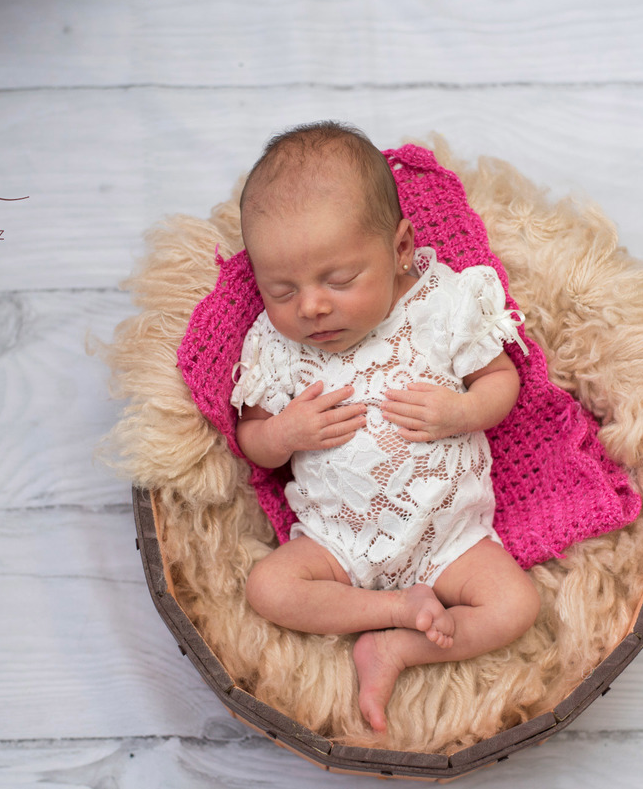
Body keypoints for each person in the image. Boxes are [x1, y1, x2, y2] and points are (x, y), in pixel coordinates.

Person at [230, 121, 540, 734]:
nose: (311, 306)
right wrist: (286, 432)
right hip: (338, 544)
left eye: (339, 280)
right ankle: (394, 610)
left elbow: (502, 381)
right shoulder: (276, 344)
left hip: (451, 538)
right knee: (268, 586)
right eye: (281, 289)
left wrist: (463, 412)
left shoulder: (440, 303)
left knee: (516, 605)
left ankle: (397, 646)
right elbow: (254, 444)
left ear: (400, 249)